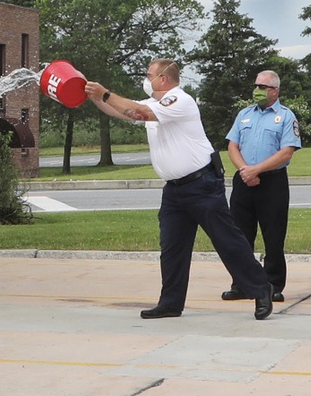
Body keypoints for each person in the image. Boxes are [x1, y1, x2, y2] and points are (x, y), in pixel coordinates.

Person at [84, 59, 273, 321]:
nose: (146, 79)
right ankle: (171, 303)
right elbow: (125, 112)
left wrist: (105, 93)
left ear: (163, 78)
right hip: (174, 190)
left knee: (227, 241)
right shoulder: (153, 104)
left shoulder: (179, 101)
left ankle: (261, 289)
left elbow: (142, 112)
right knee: (172, 247)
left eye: (149, 74)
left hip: (201, 184)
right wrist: (94, 97)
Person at [220, 70, 301, 304]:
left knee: (273, 236)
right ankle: (242, 284)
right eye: (256, 86)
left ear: (275, 91)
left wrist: (258, 170)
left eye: (263, 87)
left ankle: (273, 284)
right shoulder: (244, 114)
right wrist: (246, 170)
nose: (257, 91)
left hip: (272, 182)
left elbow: (287, 151)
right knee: (240, 235)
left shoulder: (286, 116)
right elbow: (232, 145)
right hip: (244, 180)